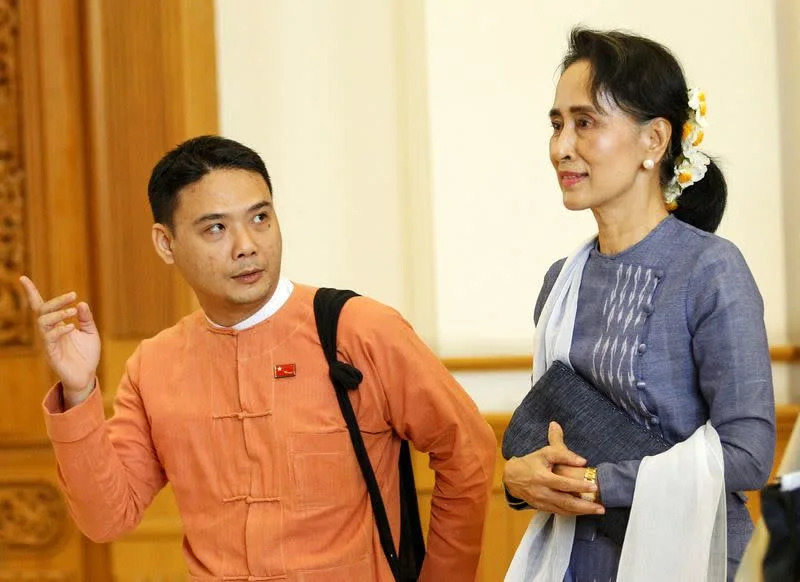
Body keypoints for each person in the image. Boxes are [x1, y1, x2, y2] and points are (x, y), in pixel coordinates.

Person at [21, 135, 497, 581]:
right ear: (166, 244)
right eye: (215, 228)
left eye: (260, 218)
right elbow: (107, 517)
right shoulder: (155, 366)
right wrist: (79, 390)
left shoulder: (358, 330)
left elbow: (467, 450)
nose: (246, 244)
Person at [502, 28, 775, 581]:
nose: (561, 147)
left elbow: (748, 454)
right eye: (557, 125)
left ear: (654, 141)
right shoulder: (562, 282)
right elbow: (550, 430)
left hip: (690, 560)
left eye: (585, 123)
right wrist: (516, 479)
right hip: (574, 560)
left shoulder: (710, 269)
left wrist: (602, 482)